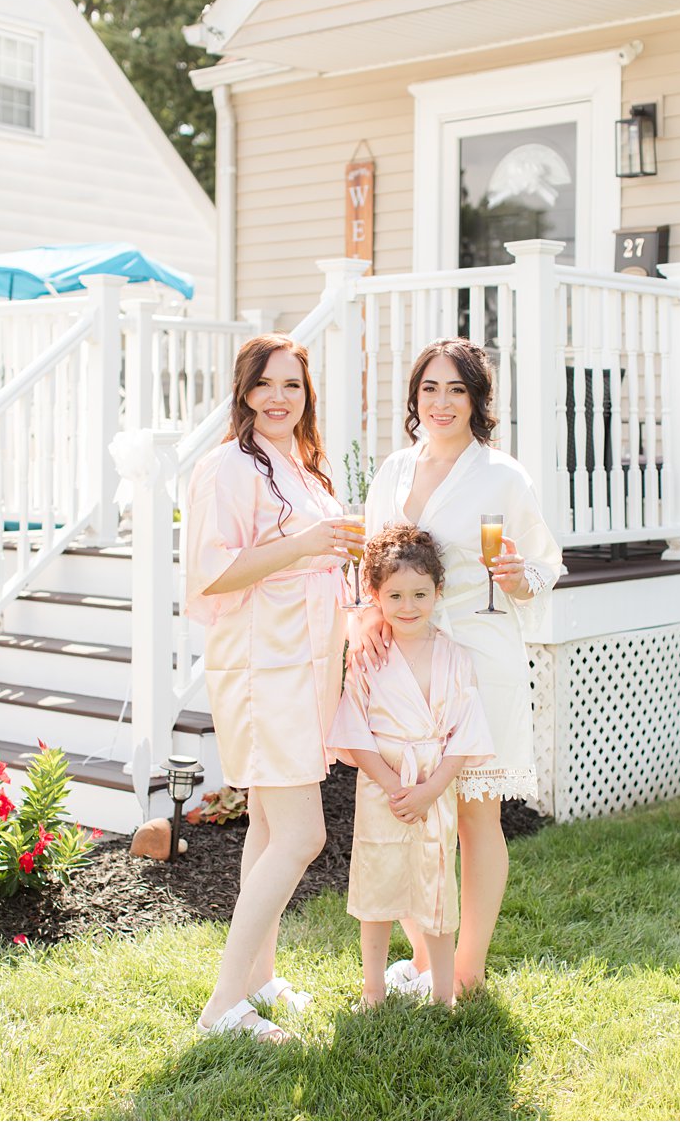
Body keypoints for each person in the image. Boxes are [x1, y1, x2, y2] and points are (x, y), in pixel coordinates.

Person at [353, 337, 565, 996]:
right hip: (399, 663)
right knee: (410, 809)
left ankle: (466, 971)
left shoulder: (503, 475)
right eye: (429, 389)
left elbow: (544, 564)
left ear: (477, 400)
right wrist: (363, 631)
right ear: (415, 398)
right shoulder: (391, 471)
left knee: (476, 815)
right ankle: (423, 959)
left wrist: (520, 578)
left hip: (477, 654)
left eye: (456, 390)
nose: (441, 402)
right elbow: (370, 562)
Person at [185, 333, 362, 1042]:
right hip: (265, 670)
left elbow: (321, 552)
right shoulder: (226, 467)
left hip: (306, 666)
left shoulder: (299, 464)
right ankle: (223, 1004)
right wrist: (306, 545)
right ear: (244, 389)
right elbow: (212, 571)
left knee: (265, 825)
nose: (279, 397)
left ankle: (258, 981)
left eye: (293, 385)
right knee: (301, 834)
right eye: (267, 383)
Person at [329, 524, 494, 1009]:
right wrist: (390, 786)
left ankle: (443, 994)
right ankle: (373, 989)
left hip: (433, 788)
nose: (407, 606)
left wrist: (431, 788)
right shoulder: (368, 658)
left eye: (420, 594)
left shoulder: (453, 657)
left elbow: (466, 733)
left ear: (438, 593)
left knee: (437, 888)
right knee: (377, 885)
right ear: (374, 596)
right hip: (383, 787)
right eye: (395, 595)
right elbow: (353, 730)